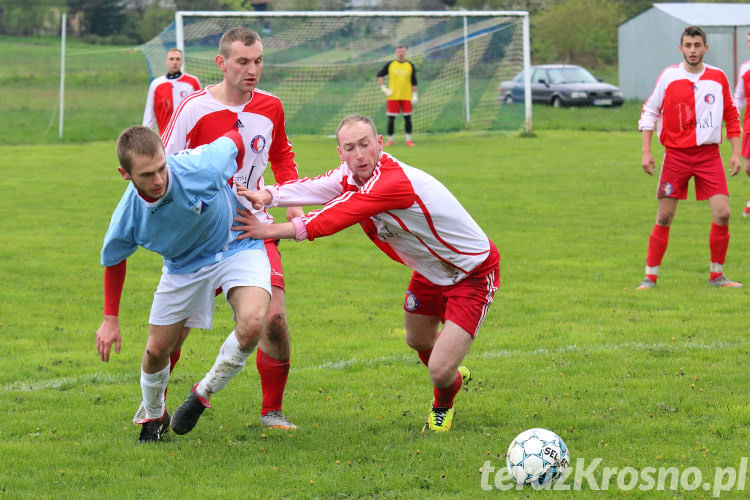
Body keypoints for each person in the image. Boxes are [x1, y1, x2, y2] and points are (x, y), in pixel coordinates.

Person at [232, 114, 500, 433]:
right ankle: (450, 372)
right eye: (350, 148)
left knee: (440, 370)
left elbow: (336, 215)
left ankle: (444, 400)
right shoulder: (351, 174)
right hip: (430, 269)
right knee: (416, 338)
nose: (360, 154)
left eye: (365, 144)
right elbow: (319, 187)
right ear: (340, 153)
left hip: (470, 271)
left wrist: (268, 229)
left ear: (380, 144)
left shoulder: (390, 181)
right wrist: (269, 196)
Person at [160, 27, 301, 430]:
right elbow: (166, 166)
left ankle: (271, 411)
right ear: (222, 63)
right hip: (199, 235)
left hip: (252, 229)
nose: (252, 69)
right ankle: (156, 409)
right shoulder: (193, 107)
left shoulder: (271, 107)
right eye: (243, 61)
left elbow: (282, 155)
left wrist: (291, 202)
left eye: (258, 61)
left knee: (272, 319)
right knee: (176, 333)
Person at [95, 126, 271, 442]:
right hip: (183, 267)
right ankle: (153, 415)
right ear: (125, 174)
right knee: (156, 350)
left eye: (162, 167)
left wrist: (238, 191)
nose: (159, 179)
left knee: (254, 323)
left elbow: (233, 139)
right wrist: (110, 319)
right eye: (147, 174)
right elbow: (114, 259)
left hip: (236, 244)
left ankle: (202, 394)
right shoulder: (129, 215)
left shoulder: (199, 166)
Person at [637, 25, 742, 290]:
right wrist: (647, 151)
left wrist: (736, 153)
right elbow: (649, 112)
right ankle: (649, 278)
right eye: (688, 45)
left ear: (705, 48)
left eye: (697, 45)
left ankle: (717, 276)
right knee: (664, 216)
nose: (692, 50)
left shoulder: (718, 77)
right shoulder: (669, 77)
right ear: (681, 48)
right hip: (676, 157)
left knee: (723, 213)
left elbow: (731, 115)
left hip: (709, 156)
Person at [142, 48, 201, 134]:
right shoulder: (156, 84)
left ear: (182, 62)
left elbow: (199, 109)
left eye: (178, 59)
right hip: (165, 136)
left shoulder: (193, 81)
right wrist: (145, 136)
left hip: (187, 135)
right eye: (171, 59)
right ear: (166, 62)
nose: (174, 62)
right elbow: (149, 113)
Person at [376, 45, 418, 147]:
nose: (401, 53)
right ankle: (390, 140)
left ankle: (408, 140)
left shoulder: (410, 65)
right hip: (393, 97)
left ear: (405, 53)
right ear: (396, 53)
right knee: (391, 119)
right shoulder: (391, 64)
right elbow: (380, 75)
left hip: (406, 96)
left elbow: (414, 81)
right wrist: (384, 88)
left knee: (408, 118)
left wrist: (415, 95)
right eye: (399, 51)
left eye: (402, 51)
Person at [733, 31, 750, 217]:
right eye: (748, 41)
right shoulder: (745, 68)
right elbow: (738, 97)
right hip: (749, 122)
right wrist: (733, 116)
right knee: (748, 167)